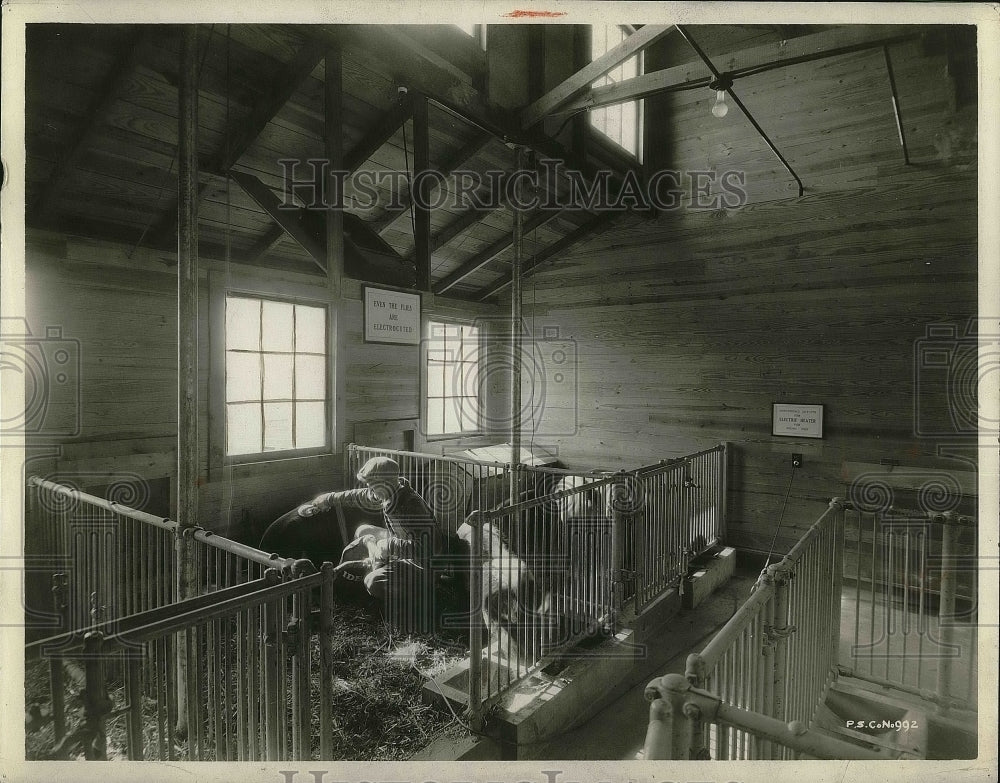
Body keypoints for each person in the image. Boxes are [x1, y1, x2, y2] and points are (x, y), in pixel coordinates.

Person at [298, 456, 443, 630]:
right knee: (363, 530)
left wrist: (387, 546)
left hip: (424, 565)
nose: (368, 489)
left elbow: (428, 548)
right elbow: (361, 496)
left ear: (385, 484)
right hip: (404, 542)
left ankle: (412, 605)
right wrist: (329, 499)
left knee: (373, 582)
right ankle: (372, 569)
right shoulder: (392, 490)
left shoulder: (411, 506)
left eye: (371, 485)